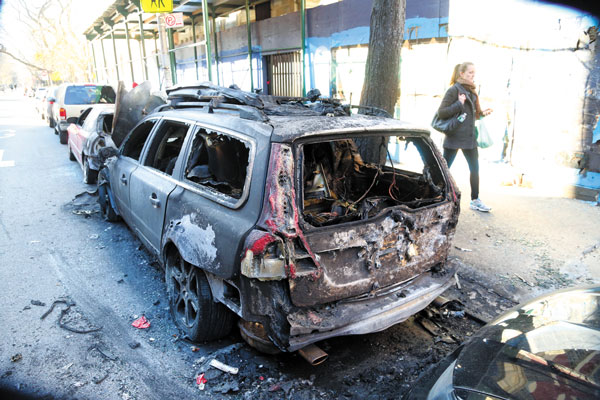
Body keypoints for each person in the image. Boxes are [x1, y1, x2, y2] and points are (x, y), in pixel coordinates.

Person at [437, 62, 493, 212]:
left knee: (475, 169)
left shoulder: (472, 91)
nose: (472, 75)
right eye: (470, 73)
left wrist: (482, 113)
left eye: (474, 73)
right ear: (461, 73)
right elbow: (442, 112)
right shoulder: (454, 90)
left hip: (469, 138)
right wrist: (459, 104)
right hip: (454, 137)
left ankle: (475, 200)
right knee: (444, 170)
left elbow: (473, 115)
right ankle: (437, 196)